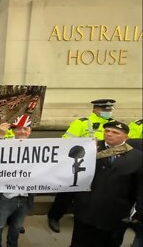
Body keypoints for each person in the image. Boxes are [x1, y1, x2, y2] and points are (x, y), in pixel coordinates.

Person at [47, 99, 116, 233]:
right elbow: (66, 142)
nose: (107, 112)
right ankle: (54, 217)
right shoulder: (82, 123)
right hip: (80, 163)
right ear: (95, 109)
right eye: (104, 110)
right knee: (67, 193)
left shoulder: (113, 125)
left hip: (103, 165)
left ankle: (84, 216)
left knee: (95, 193)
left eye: (109, 110)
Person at [70, 121, 142, 247]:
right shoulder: (90, 148)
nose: (109, 134)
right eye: (107, 131)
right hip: (86, 208)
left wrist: (139, 211)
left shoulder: (137, 157)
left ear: (126, 137)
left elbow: (140, 187)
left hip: (115, 213)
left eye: (115, 132)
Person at [0, 122, 34, 247]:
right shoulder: (6, 143)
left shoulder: (38, 147)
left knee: (16, 227)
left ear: (30, 131)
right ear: (14, 131)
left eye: (25, 129)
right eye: (19, 129)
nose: (22, 132)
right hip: (6, 197)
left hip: (25, 198)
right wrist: (1, 135)